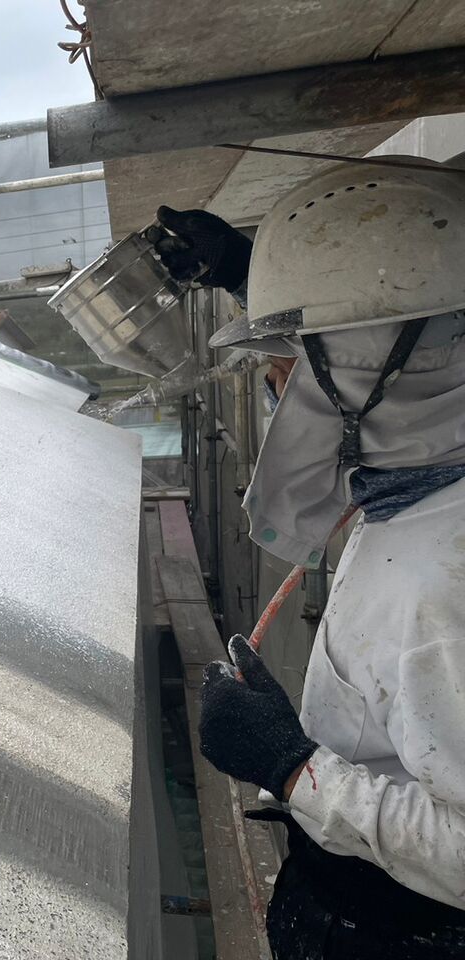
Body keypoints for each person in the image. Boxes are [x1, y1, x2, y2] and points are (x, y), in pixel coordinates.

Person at [150, 160, 465, 958]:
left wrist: (291, 766)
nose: (277, 385)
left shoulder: (439, 582)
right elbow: (399, 319)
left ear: (372, 369)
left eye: (292, 363)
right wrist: (245, 271)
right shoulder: (423, 484)